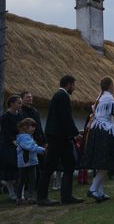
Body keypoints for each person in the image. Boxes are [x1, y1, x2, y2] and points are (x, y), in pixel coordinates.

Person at [37, 75, 84, 206]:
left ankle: (66, 196)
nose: (74, 88)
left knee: (69, 164)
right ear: (69, 85)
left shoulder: (59, 95)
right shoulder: (62, 96)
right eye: (73, 85)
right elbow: (66, 117)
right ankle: (42, 198)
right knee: (50, 166)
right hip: (58, 137)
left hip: (62, 137)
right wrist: (75, 134)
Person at [15, 118, 46, 205]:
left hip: (31, 162)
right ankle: (20, 198)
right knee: (23, 180)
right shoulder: (24, 138)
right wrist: (42, 150)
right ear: (25, 127)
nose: (33, 128)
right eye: (31, 126)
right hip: (25, 163)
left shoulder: (28, 137)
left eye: (34, 126)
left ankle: (29, 197)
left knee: (32, 180)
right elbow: (30, 147)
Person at [20, 91, 46, 190]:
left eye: (31, 97)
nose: (30, 99)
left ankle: (39, 185)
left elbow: (39, 126)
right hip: (27, 141)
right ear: (22, 98)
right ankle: (28, 186)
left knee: (41, 163)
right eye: (27, 97)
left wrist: (44, 141)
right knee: (29, 165)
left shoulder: (35, 111)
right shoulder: (21, 111)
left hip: (38, 140)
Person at [0, 95, 24, 201]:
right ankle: (11, 193)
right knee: (9, 170)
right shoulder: (5, 117)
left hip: (20, 143)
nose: (20, 104)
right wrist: (13, 141)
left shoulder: (21, 116)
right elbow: (5, 132)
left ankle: (21, 193)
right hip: (8, 145)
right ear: (12, 104)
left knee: (21, 170)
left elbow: (23, 129)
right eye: (18, 103)